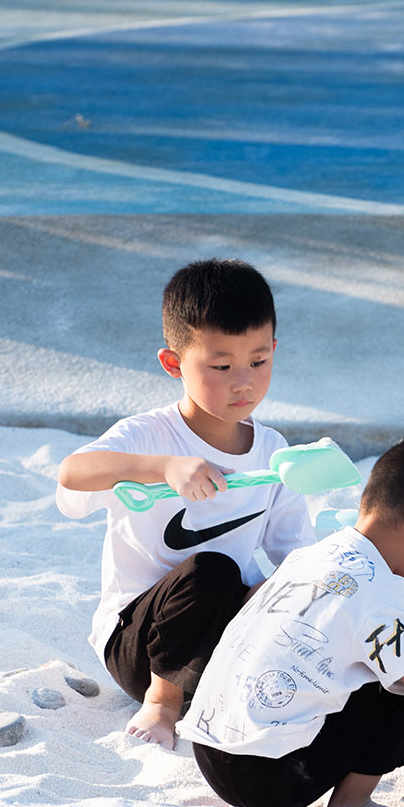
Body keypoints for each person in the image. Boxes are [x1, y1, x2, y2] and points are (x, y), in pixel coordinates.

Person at [179, 432, 404, 807]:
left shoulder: (307, 558)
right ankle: (353, 805)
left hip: (211, 755)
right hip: (275, 776)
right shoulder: (383, 593)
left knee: (381, 666)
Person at [56, 259, 313, 745]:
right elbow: (72, 473)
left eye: (258, 361)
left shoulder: (273, 451)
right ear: (174, 363)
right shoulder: (149, 434)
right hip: (141, 649)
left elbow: (294, 556)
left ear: (274, 349)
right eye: (222, 366)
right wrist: (163, 467)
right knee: (212, 568)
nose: (244, 382)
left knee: (294, 589)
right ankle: (163, 706)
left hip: (222, 644)